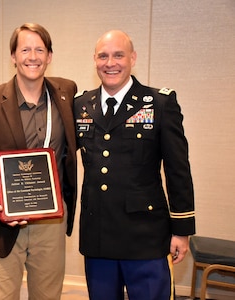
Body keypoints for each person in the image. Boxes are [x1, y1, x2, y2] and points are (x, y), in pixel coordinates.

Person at [74, 29, 195, 299]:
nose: (110, 63)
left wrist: (182, 230)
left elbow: (178, 170)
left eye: (119, 55)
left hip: (146, 237)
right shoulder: (81, 105)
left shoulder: (160, 104)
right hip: (98, 236)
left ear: (133, 58)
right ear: (94, 60)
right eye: (103, 56)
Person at [0, 23, 77, 300]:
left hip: (50, 223)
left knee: (48, 296)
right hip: (3, 221)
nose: (33, 56)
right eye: (25, 49)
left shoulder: (66, 94)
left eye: (39, 49)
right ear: (13, 57)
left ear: (50, 56)